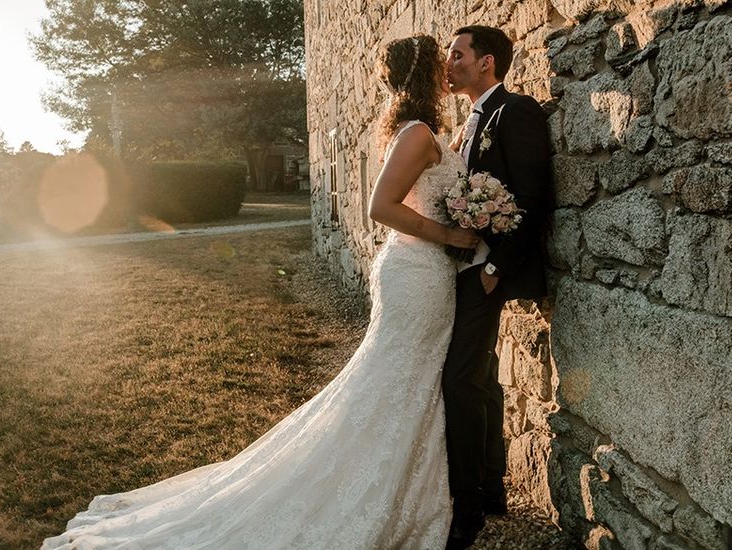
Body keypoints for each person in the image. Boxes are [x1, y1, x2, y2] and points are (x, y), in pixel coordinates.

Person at [42, 34, 477, 550]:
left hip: (418, 271)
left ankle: (404, 487)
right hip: (418, 272)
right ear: (423, 75)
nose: (448, 71)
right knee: (398, 381)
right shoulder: (418, 133)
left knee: (399, 382)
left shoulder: (415, 130)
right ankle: (367, 493)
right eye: (439, 64)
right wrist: (451, 235)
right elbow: (380, 208)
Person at [442, 25, 552, 550]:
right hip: (462, 269)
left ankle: (466, 509)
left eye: (458, 54)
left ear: (486, 63)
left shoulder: (516, 111)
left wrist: (495, 269)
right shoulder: (465, 124)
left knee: (461, 381)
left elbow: (533, 195)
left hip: (485, 273)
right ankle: (491, 488)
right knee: (480, 379)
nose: (450, 63)